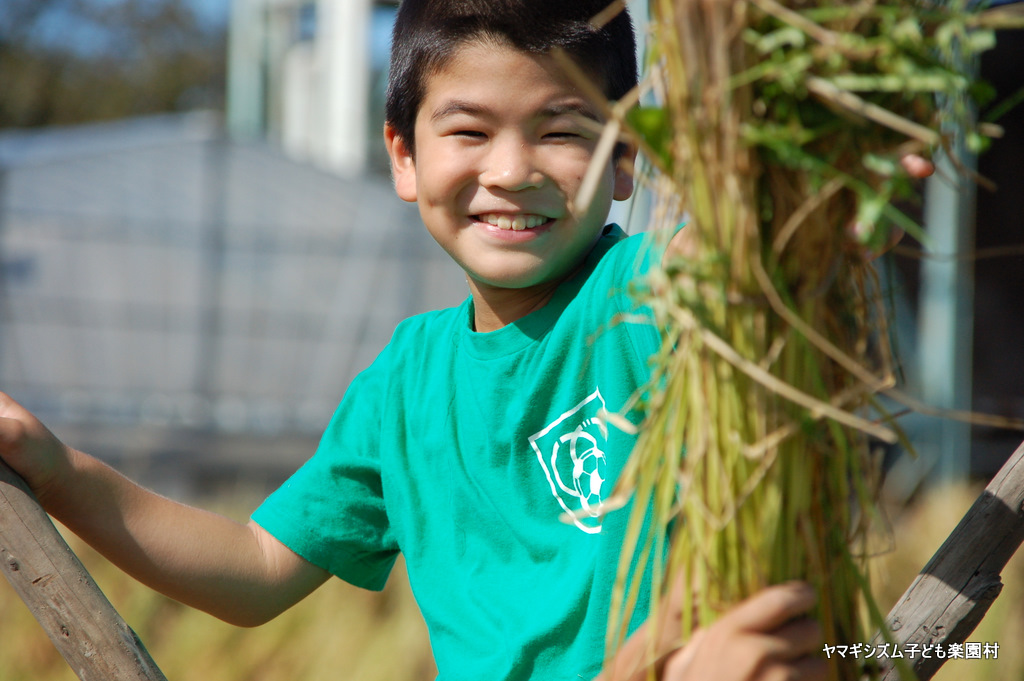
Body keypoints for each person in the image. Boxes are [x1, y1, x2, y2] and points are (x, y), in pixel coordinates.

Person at [1, 1, 885, 679]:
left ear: (626, 158)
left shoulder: (656, 292)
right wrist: (60, 470)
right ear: (404, 155)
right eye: (468, 130)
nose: (511, 170)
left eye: (562, 131)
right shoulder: (406, 382)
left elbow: (764, 239)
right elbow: (259, 566)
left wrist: (833, 156)